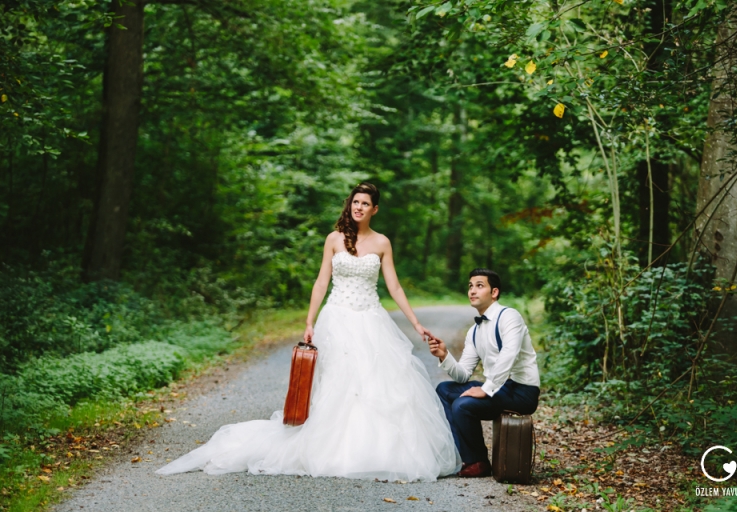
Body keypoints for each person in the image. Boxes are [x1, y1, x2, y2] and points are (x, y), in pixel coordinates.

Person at [157, 182, 461, 481]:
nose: (359, 207)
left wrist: (416, 323)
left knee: (375, 382)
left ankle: (373, 452)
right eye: (355, 202)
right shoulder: (333, 239)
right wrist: (309, 321)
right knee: (336, 382)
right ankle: (329, 449)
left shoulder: (382, 243)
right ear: (350, 204)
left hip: (371, 318)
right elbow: (321, 282)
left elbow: (393, 286)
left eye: (365, 203)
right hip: (337, 317)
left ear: (375, 209)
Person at [427, 268, 540, 478]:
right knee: (445, 389)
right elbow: (462, 375)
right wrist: (444, 355)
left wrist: (486, 389)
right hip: (500, 388)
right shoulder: (474, 331)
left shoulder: (509, 316)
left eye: (479, 286)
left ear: (494, 292)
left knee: (463, 404)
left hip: (521, 390)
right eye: (470, 286)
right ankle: (469, 456)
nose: (472, 291)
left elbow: (509, 354)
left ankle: (478, 463)